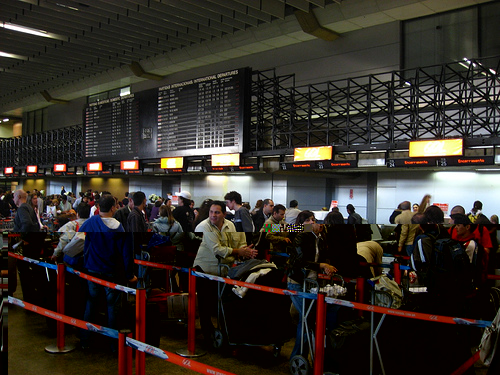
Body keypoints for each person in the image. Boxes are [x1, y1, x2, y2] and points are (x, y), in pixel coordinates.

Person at [193, 201, 257, 341]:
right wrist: (238, 251)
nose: (213, 215)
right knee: (206, 304)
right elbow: (218, 250)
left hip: (223, 271)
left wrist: (245, 251)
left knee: (222, 303)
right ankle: (208, 335)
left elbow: (239, 241)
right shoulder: (205, 226)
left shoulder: (232, 224)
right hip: (205, 270)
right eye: (211, 212)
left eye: (217, 212)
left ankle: (224, 333)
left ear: (225, 212)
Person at [79, 195, 137, 351]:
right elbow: (126, 253)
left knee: (91, 303)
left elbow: (81, 244)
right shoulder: (120, 227)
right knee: (112, 307)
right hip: (112, 272)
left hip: (92, 269)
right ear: (113, 208)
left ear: (99, 207)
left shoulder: (90, 223)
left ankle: (85, 339)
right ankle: (113, 344)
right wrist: (129, 274)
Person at [286, 210, 337, 360]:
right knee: (306, 318)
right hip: (296, 281)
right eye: (308, 220)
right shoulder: (300, 234)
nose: (313, 222)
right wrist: (320, 265)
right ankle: (299, 356)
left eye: (313, 219)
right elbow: (300, 262)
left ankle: (306, 357)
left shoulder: (320, 237)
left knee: (307, 317)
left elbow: (323, 256)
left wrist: (326, 265)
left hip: (311, 283)